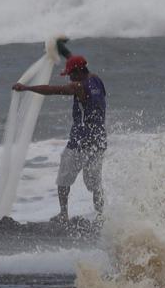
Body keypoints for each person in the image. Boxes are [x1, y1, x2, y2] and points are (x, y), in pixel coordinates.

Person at [13, 54, 107, 221]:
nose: (69, 77)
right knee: (95, 184)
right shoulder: (96, 80)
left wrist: (27, 88)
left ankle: (63, 214)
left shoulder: (78, 86)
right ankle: (101, 215)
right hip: (98, 141)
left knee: (63, 179)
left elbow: (52, 90)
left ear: (78, 72)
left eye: (71, 74)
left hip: (80, 142)